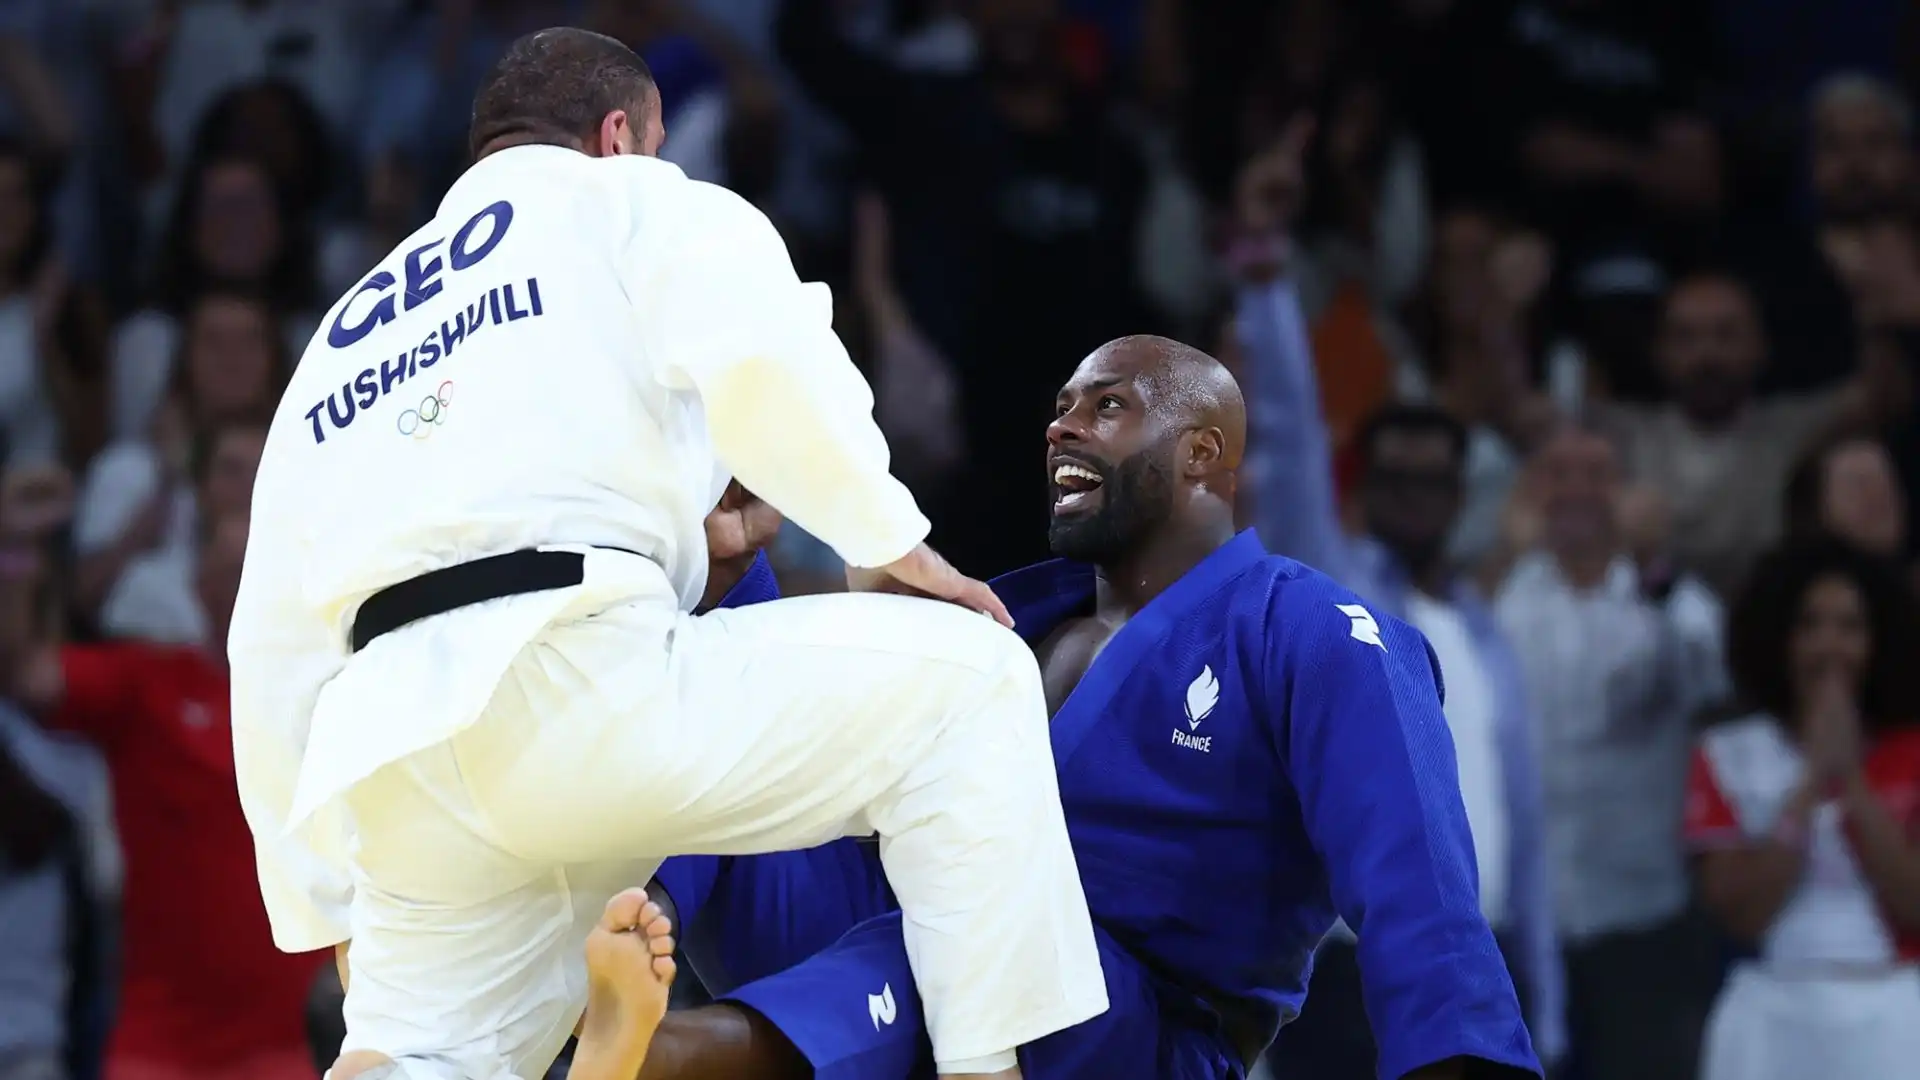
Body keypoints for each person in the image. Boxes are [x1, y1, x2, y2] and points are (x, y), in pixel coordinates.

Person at [230, 26, 1105, 1080]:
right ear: (618, 137)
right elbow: (764, 338)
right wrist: (889, 538)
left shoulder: (344, 332)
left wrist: (319, 894)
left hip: (397, 755)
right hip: (578, 686)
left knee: (416, 1052)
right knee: (976, 682)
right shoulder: (621, 197)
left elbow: (270, 634)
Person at [567, 335, 1543, 1080]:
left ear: (1203, 453)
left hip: (1129, 1030)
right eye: (1061, 407)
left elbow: (1420, 884)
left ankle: (650, 1055)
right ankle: (604, 959)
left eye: (1105, 408)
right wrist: (725, 572)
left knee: (982, 923)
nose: (1060, 427)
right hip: (893, 937)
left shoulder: (1312, 628)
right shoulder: (1005, 618)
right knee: (717, 682)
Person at [1687, 540, 1920, 1080]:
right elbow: (1743, 914)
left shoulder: (1911, 753)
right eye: (1809, 625)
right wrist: (1812, 781)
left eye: (1850, 626)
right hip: (1772, 1014)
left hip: (1893, 1006)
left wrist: (1852, 781)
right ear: (1780, 638)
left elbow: (1914, 902)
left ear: (1878, 641)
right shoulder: (1726, 754)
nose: (1829, 644)